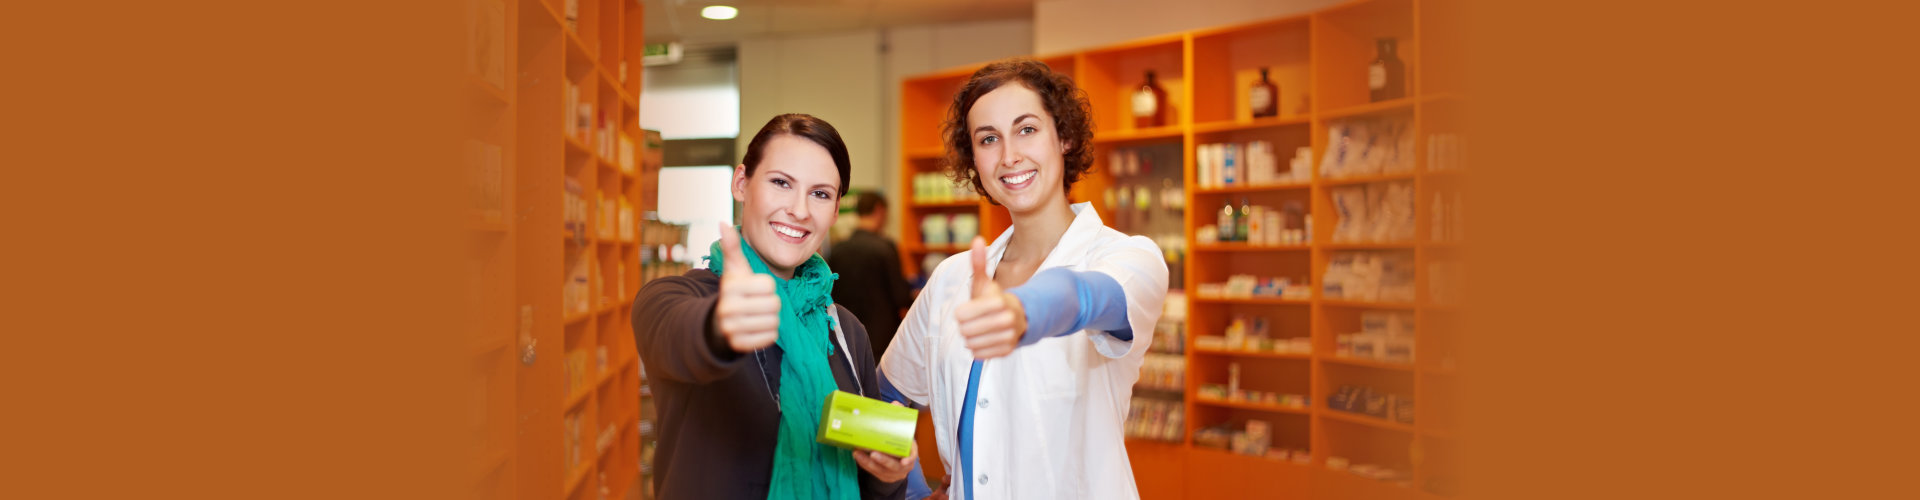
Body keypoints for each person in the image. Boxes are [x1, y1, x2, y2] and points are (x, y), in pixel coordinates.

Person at [877, 59, 1170, 499]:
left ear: (1064, 137)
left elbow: (1085, 297)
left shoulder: (1127, 258)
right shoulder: (952, 279)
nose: (1009, 155)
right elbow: (885, 397)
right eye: (989, 139)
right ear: (974, 159)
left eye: (1027, 129)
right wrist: (911, 490)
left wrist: (1021, 311)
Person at [632, 114, 916, 500]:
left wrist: (888, 473)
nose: (799, 210)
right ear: (741, 183)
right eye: (781, 183)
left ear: (835, 212)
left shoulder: (845, 332)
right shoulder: (676, 298)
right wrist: (721, 325)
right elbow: (679, 337)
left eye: (820, 194)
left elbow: (870, 478)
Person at [826, 192, 913, 358]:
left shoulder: (837, 249)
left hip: (843, 331)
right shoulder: (885, 247)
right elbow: (900, 296)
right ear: (879, 210)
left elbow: (829, 293)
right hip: (880, 338)